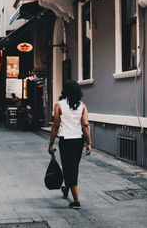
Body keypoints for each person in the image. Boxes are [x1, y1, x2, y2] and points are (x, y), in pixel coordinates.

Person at [48, 80, 91, 209]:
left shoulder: (59, 105)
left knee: (69, 167)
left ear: (64, 91)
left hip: (66, 141)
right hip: (78, 140)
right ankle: (66, 189)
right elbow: (85, 124)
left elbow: (55, 125)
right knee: (72, 167)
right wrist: (89, 143)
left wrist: (50, 143)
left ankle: (76, 201)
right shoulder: (82, 106)